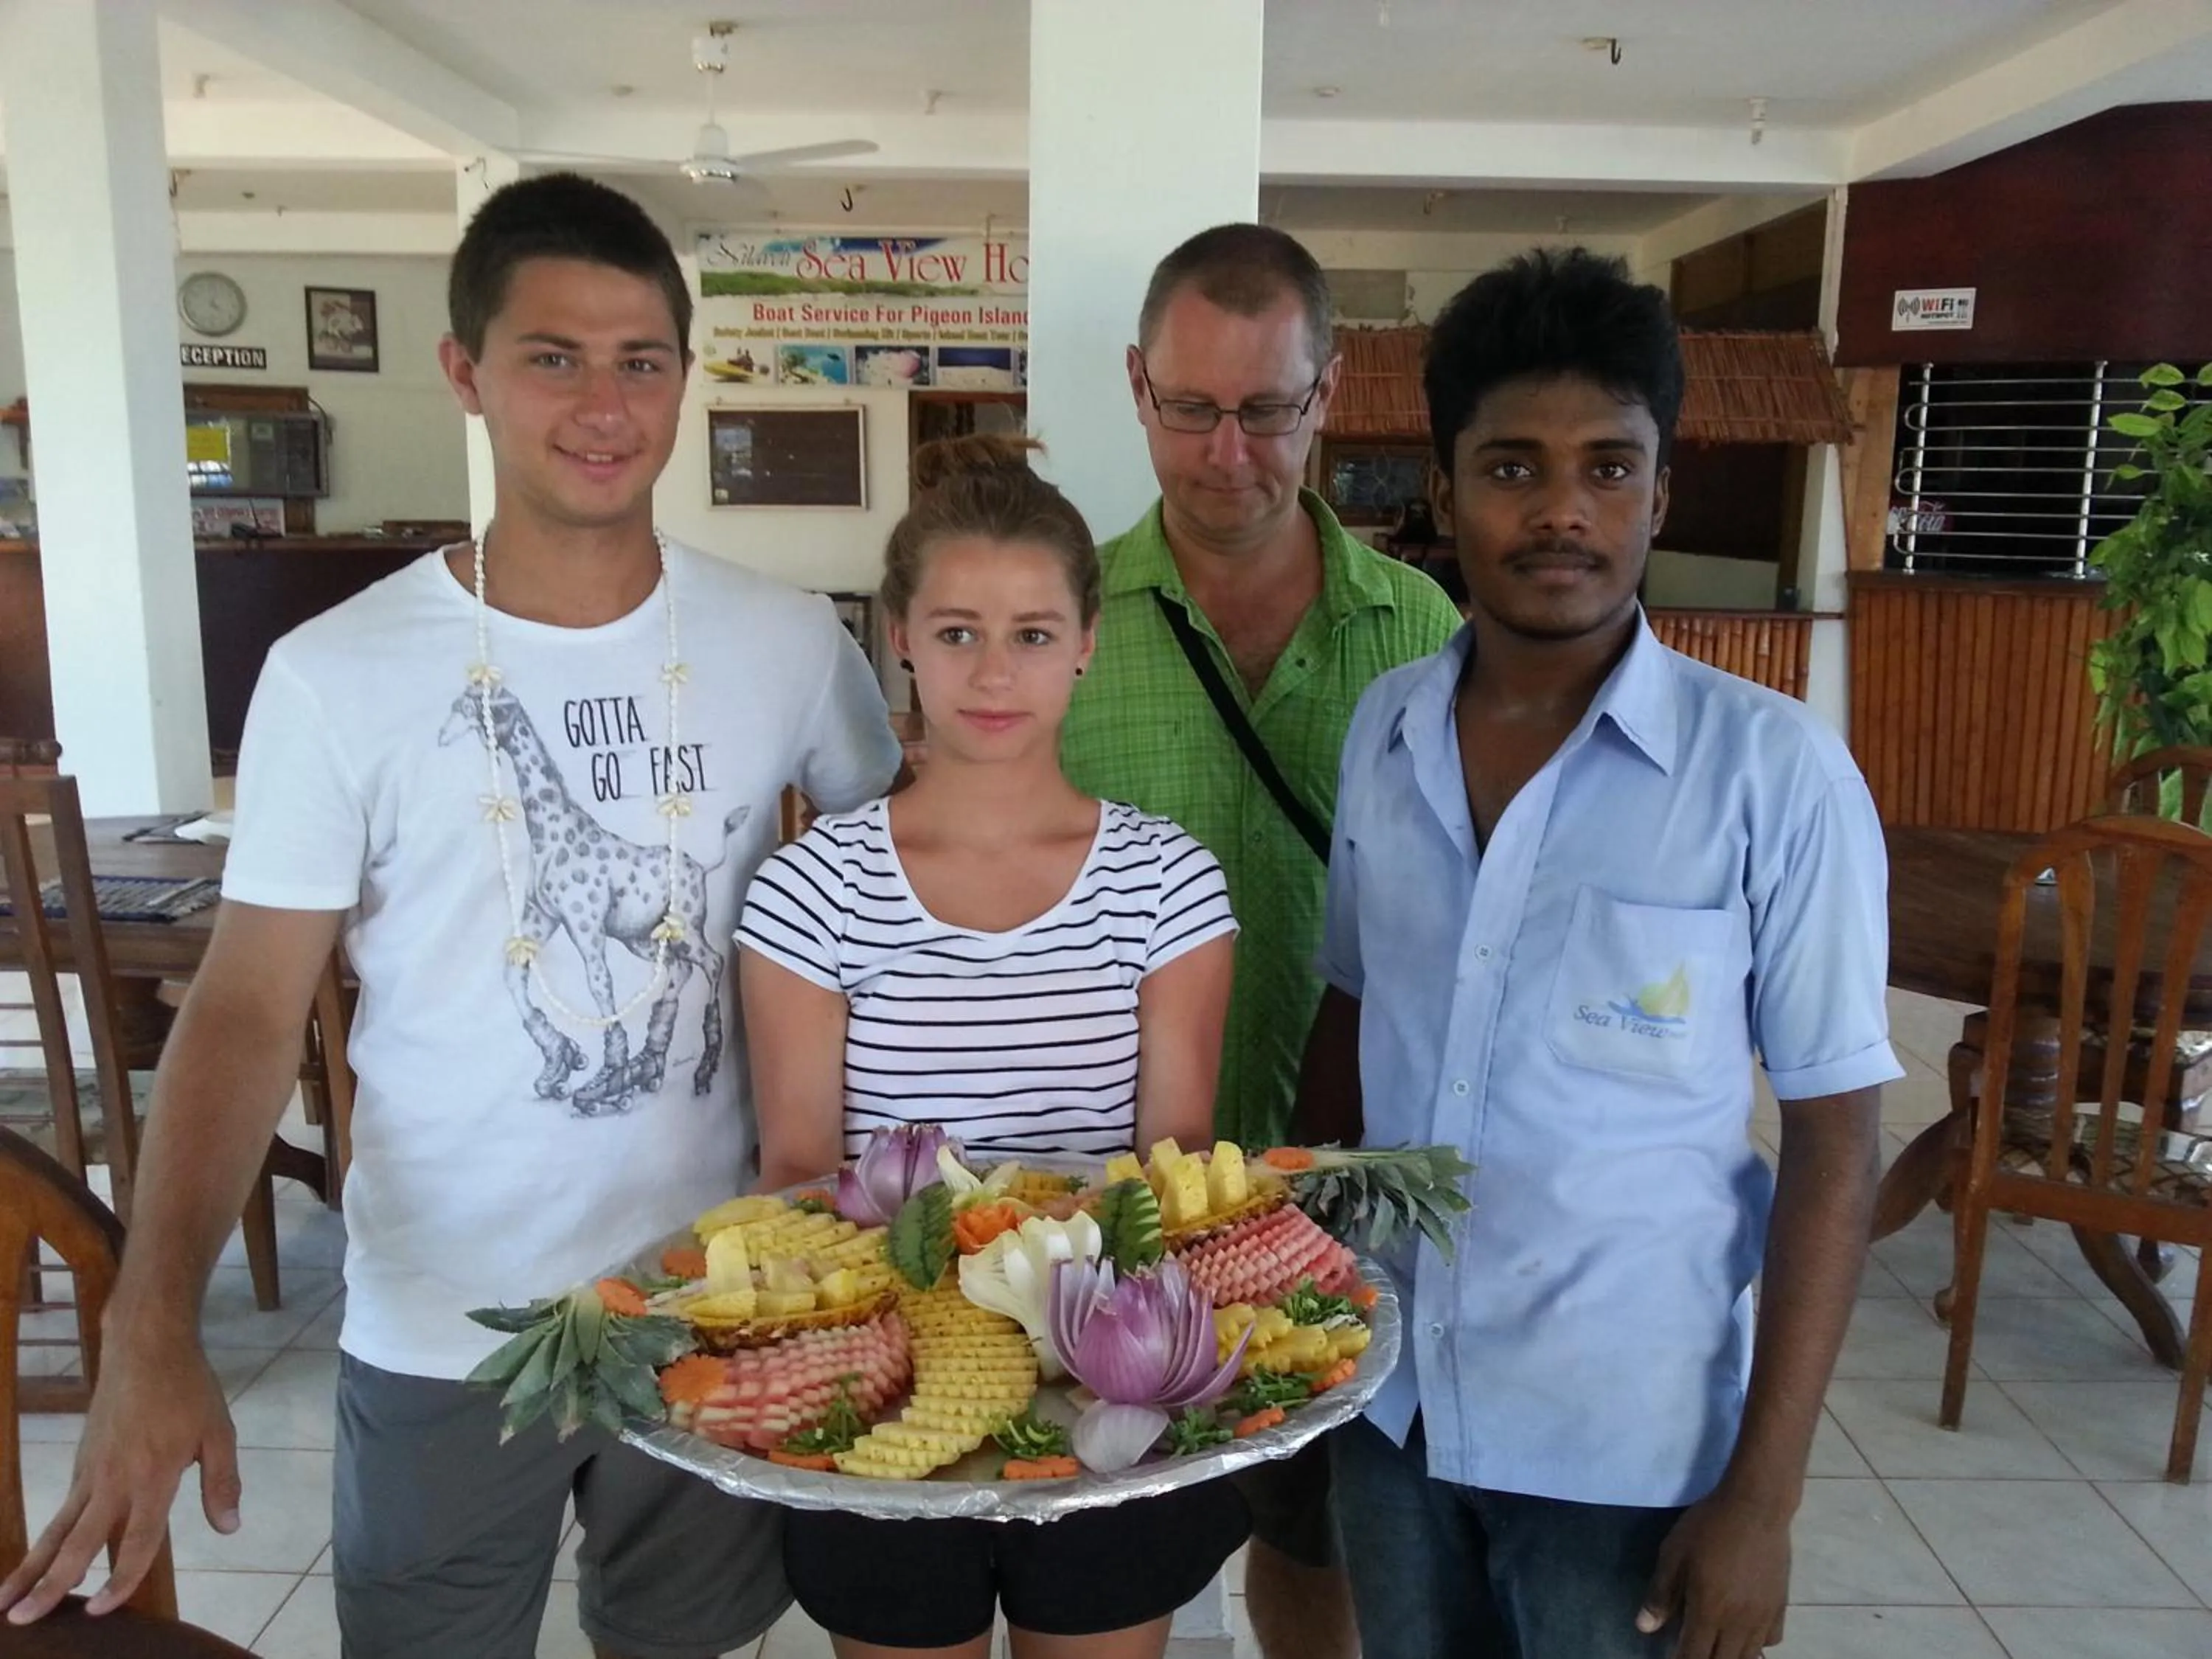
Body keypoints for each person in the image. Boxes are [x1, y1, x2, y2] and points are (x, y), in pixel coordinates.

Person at [0, 173, 902, 1658]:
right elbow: (240, 1006)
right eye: (553, 356)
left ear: (686, 375)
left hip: (715, 1303)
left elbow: (896, 904)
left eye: (642, 360)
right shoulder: (336, 673)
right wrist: (149, 1323)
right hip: (443, 1328)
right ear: (466, 372)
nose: (603, 404)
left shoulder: (793, 645)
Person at [1305, 247, 1896, 1659]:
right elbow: (1349, 1018)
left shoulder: (1773, 776)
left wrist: (1765, 1495)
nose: (1563, 509)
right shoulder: (1385, 734)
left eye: (1609, 467)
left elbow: (1836, 1135)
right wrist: (1292, 1311)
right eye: (1511, 467)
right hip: (1391, 1405)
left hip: (1623, 1448)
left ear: (1661, 491)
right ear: (1442, 492)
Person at [740, 434, 1248, 1659]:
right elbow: (799, 1173)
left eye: (1031, 633)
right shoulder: (813, 892)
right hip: (885, 1379)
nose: (994, 670)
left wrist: (1080, 1357)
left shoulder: (1167, 884)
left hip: (1105, 1381)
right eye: (957, 630)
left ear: (1085, 644)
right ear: (900, 637)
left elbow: (1166, 1170)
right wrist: (933, 1351)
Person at [1056, 223, 1459, 1659]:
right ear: (1136, 387)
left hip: (1328, 1192)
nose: (1230, 452)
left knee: (1316, 1544)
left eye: (1270, 409)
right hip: (1104, 1207)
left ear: (1330, 391)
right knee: (1105, 1570)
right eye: (1191, 408)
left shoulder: (1421, 635)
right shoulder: (1059, 624)